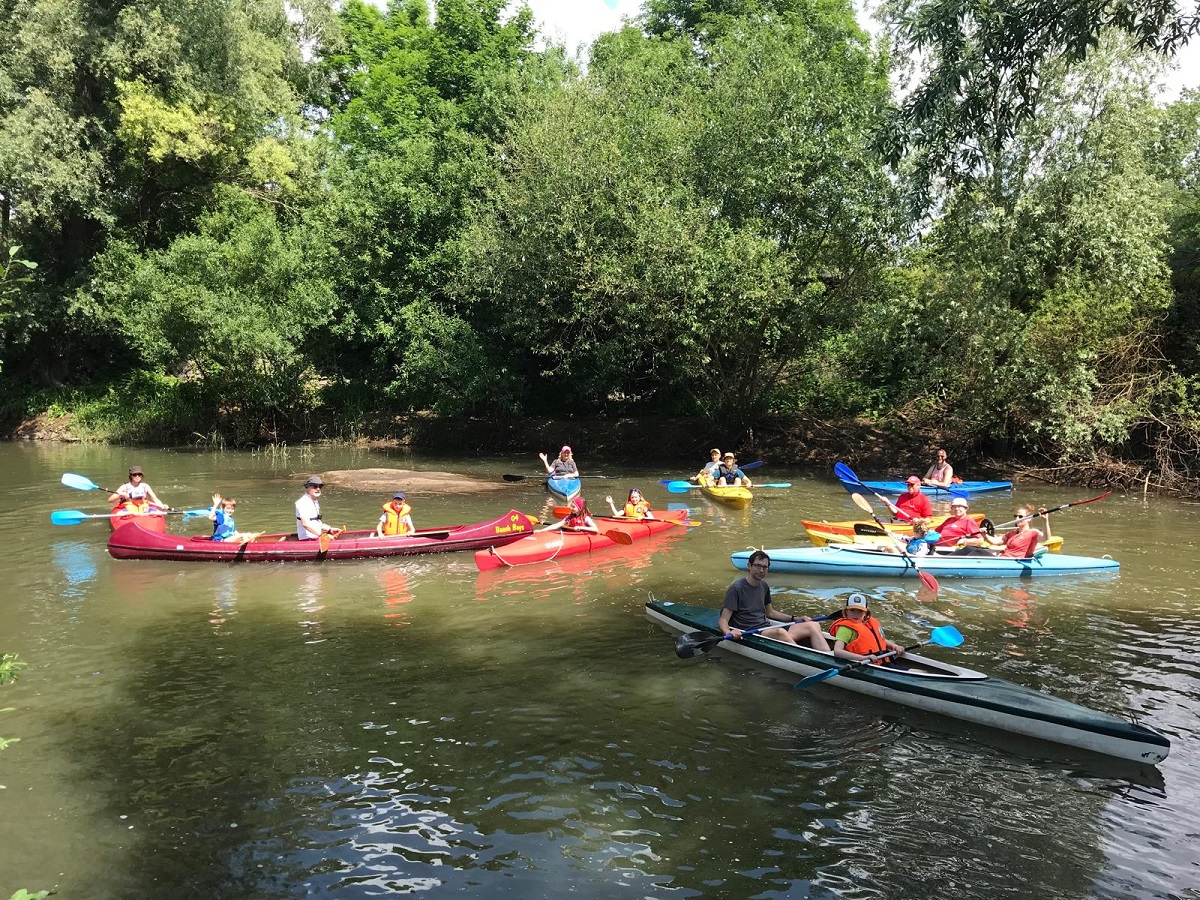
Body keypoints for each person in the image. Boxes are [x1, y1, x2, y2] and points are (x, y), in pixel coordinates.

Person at [717, 550, 827, 648]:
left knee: (813, 625)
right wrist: (729, 632)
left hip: (766, 628)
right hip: (751, 632)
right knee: (780, 632)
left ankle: (828, 657)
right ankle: (808, 660)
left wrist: (796, 618)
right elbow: (723, 620)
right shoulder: (737, 588)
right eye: (757, 566)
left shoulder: (764, 586)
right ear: (749, 566)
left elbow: (770, 613)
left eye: (764, 567)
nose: (761, 570)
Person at [829, 594, 905, 663]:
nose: (856, 614)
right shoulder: (845, 629)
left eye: (860, 611)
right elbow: (838, 651)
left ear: (865, 613)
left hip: (882, 662)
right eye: (852, 610)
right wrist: (863, 658)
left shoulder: (867, 624)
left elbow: (880, 639)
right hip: (866, 664)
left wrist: (894, 646)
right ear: (846, 612)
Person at [295, 475, 343, 541]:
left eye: (320, 487)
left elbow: (316, 521)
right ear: (308, 487)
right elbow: (305, 524)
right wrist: (322, 536)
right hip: (308, 539)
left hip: (316, 536)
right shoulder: (303, 502)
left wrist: (329, 529)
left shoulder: (314, 501)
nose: (318, 489)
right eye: (315, 486)